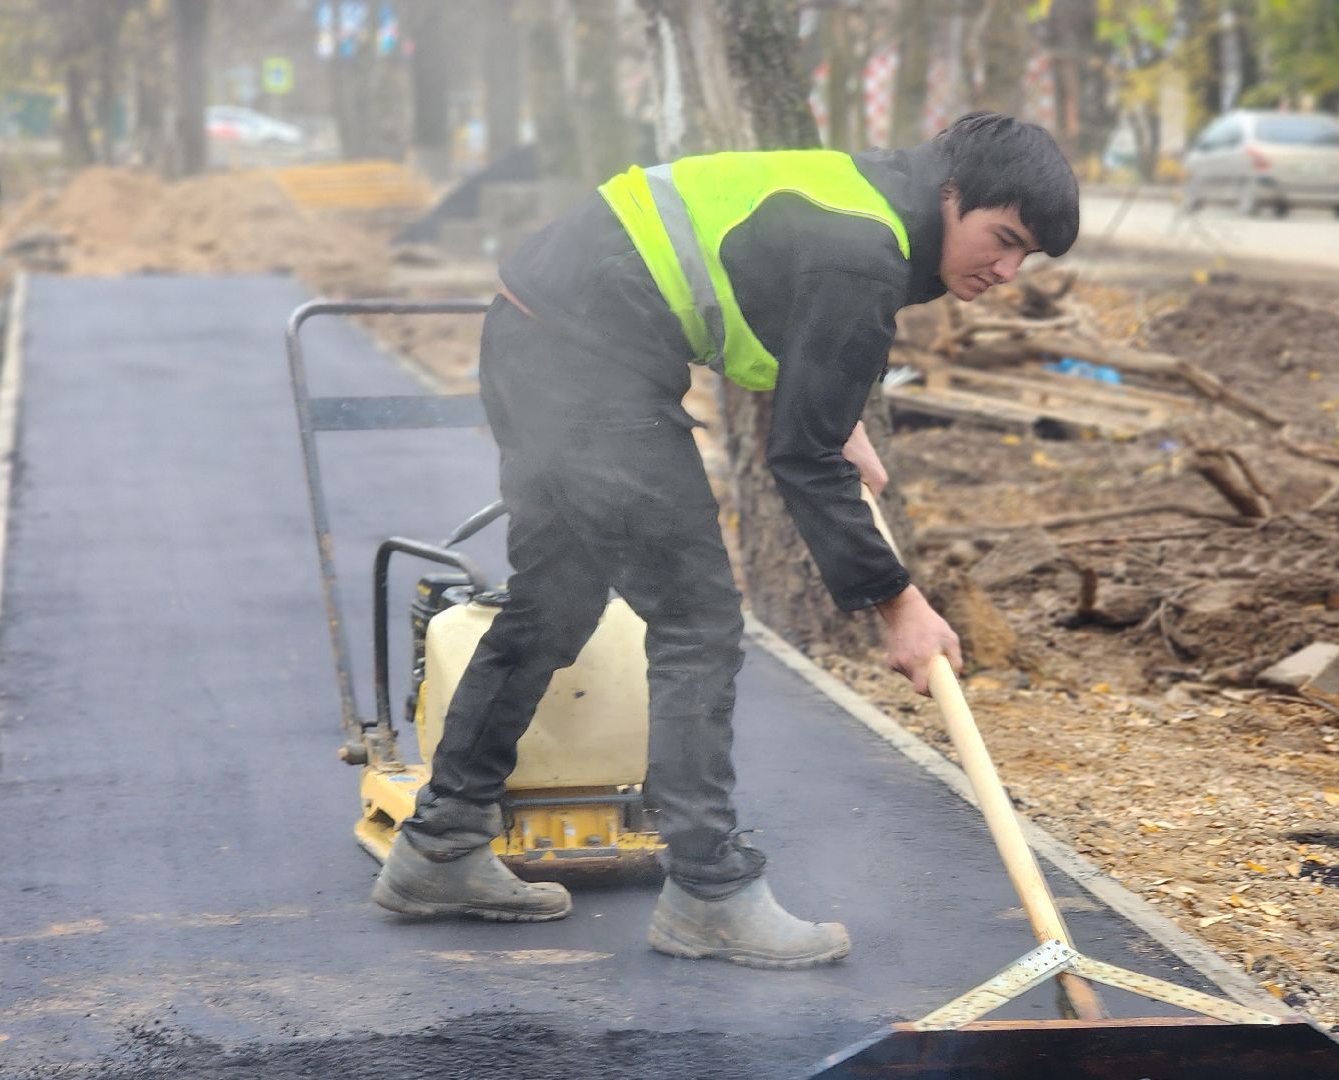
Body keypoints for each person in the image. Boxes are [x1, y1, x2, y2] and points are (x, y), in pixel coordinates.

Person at [373, 112, 1078, 970]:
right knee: (699, 621)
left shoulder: (864, 196)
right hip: (590, 369)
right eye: (1001, 239)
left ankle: (441, 846)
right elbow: (802, 457)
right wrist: (901, 606)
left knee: (553, 603)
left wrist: (831, 400)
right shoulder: (864, 247)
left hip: (533, 339)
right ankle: (709, 891)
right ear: (952, 194)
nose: (1006, 271)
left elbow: (768, 276)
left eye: (1026, 257)